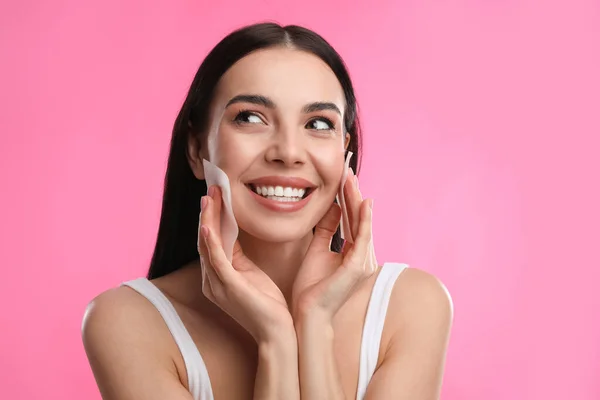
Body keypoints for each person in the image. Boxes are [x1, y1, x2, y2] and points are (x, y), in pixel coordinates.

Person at [81, 22, 453, 400]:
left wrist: (316, 324)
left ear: (345, 152)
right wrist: (275, 338)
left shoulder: (412, 306)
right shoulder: (127, 322)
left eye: (318, 123)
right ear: (196, 149)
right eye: (250, 118)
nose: (288, 152)